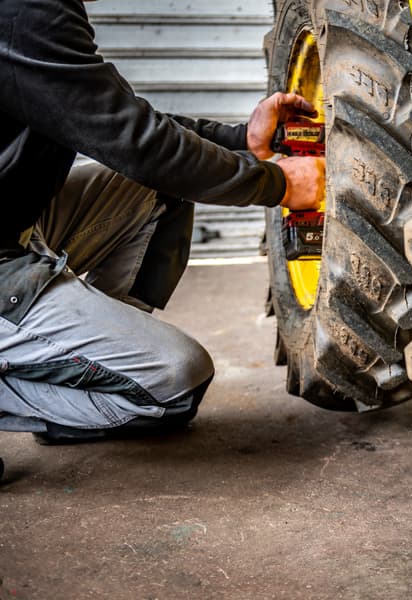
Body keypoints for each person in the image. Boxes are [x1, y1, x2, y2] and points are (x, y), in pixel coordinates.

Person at [0, 0, 325, 443]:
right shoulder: (24, 8)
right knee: (175, 382)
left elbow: (109, 117)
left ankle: (83, 355)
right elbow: (138, 144)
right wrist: (276, 185)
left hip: (17, 227)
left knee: (158, 187)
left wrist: (240, 141)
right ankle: (47, 377)